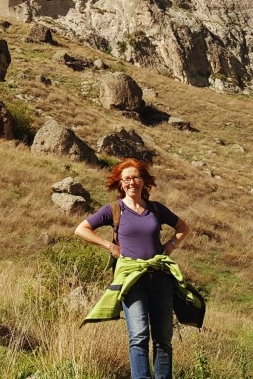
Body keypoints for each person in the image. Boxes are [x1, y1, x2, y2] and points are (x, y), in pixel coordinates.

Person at [74, 158, 192, 379]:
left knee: (163, 339)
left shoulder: (156, 209)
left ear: (143, 181)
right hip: (132, 280)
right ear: (120, 183)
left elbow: (183, 227)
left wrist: (169, 247)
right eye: (127, 178)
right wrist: (109, 245)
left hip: (160, 279)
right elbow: (82, 229)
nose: (132, 182)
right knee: (138, 336)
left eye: (136, 177)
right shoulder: (114, 210)